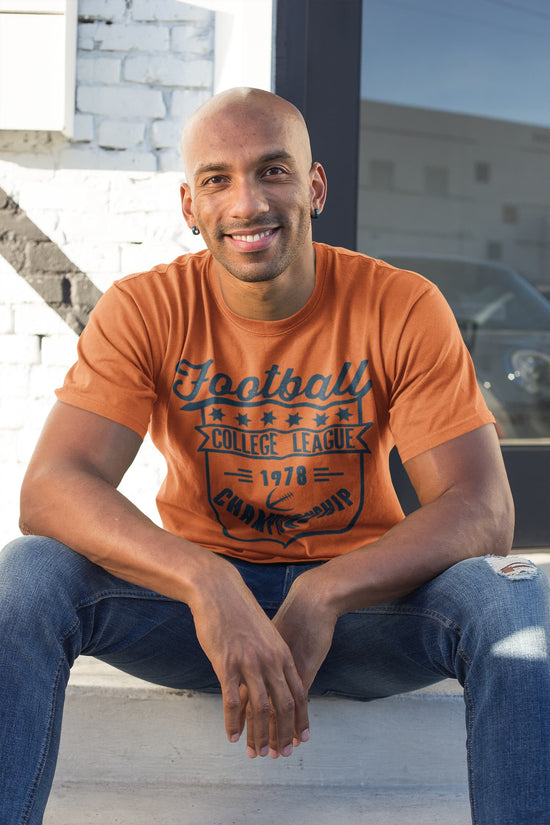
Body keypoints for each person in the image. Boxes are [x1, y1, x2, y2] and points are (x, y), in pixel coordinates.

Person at [0, 87, 548, 825]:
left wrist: (326, 591)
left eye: (274, 171)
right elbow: (52, 487)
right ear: (189, 205)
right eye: (218, 180)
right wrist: (206, 579)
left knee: (515, 598)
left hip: (359, 613)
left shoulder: (401, 305)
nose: (247, 202)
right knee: (30, 574)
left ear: (314, 187)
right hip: (198, 619)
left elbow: (483, 509)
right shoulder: (146, 308)